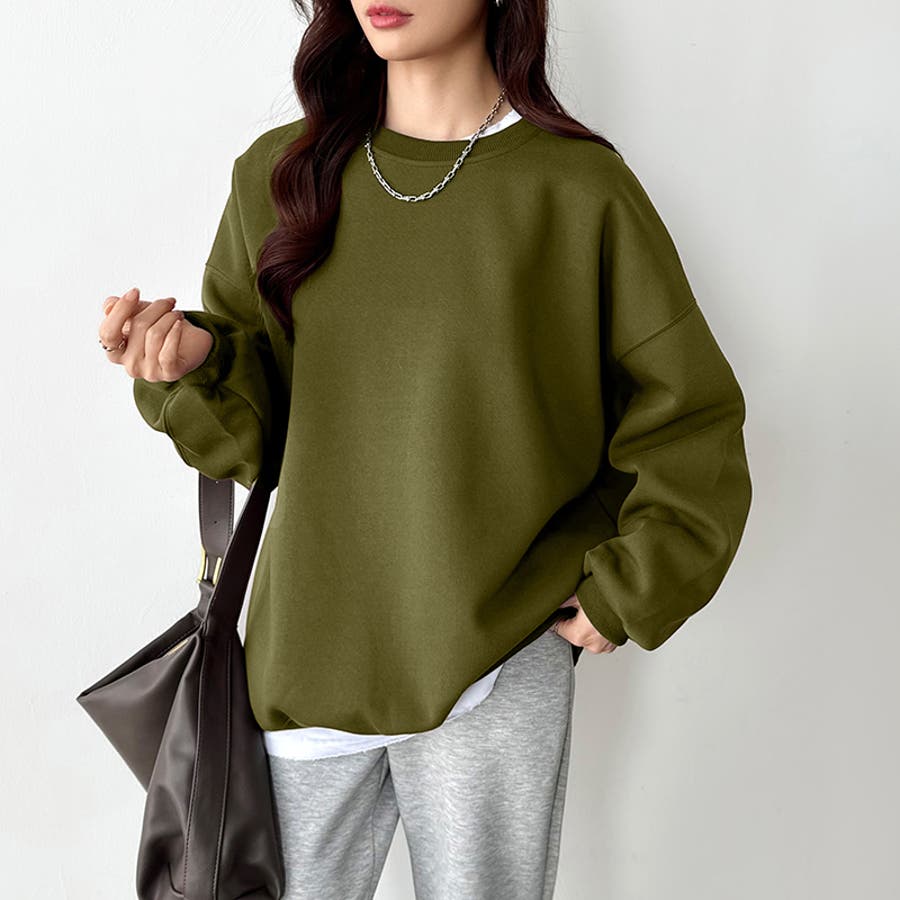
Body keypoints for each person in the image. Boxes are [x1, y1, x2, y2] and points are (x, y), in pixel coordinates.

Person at [96, 0, 753, 897]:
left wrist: (631, 589)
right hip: (307, 652)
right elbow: (257, 444)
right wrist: (193, 365)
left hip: (497, 651)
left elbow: (691, 416)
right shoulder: (279, 178)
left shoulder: (576, 190)